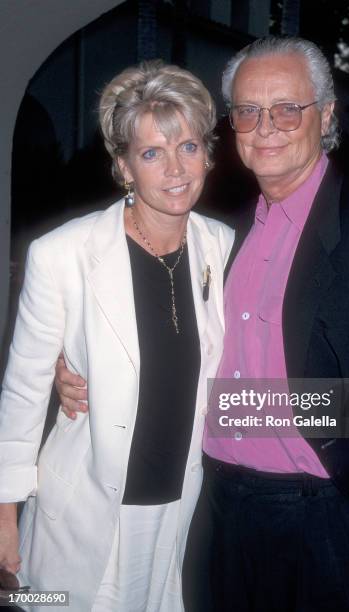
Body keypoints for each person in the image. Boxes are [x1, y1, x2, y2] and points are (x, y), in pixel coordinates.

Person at [56, 37, 349, 611]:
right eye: (247, 110)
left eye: (287, 107)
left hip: (332, 525)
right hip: (217, 516)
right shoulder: (219, 237)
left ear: (327, 114)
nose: (266, 126)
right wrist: (80, 371)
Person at [0, 59, 234, 611]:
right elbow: (23, 393)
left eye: (189, 148)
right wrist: (5, 514)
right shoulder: (62, 255)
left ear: (208, 154)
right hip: (85, 509)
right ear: (124, 167)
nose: (175, 169)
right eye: (152, 153)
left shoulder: (222, 246)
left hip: (180, 509)